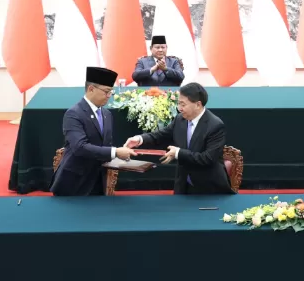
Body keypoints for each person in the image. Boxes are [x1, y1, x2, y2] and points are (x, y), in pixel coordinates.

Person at [125, 82, 233, 195]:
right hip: (183, 186)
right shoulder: (179, 120)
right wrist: (139, 139)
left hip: (209, 189)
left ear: (198, 104)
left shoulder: (215, 125)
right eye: (178, 104)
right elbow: (160, 135)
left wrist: (178, 153)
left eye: (183, 104)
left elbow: (207, 159)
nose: (179, 108)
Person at [50, 66, 137, 196]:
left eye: (111, 92)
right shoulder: (74, 114)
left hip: (98, 181)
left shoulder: (107, 114)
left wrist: (121, 154)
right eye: (106, 92)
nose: (109, 96)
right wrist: (115, 152)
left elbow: (105, 146)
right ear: (91, 89)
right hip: (75, 182)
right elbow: (80, 147)